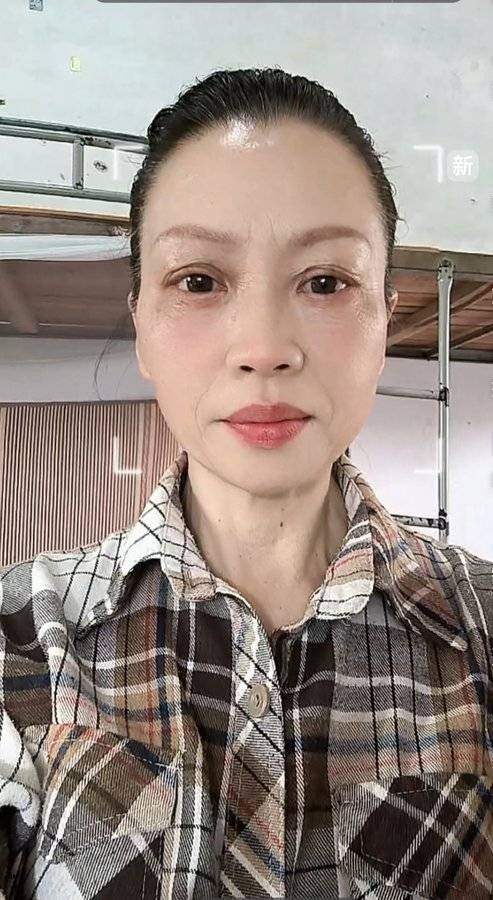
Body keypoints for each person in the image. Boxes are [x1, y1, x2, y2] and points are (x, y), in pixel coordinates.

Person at [0, 66, 492, 900]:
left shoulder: (482, 630)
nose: (263, 347)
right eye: (198, 280)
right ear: (141, 324)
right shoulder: (23, 642)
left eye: (325, 282)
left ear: (382, 316)